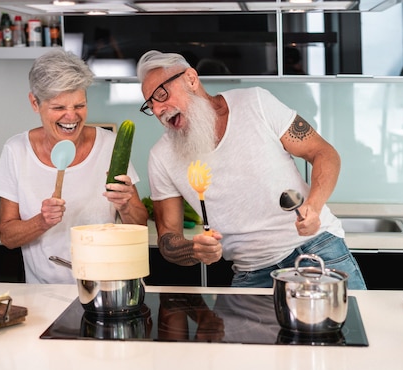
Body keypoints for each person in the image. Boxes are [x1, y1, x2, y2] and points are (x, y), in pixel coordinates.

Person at [136, 50, 366, 290]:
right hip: (251, 274)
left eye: (161, 94)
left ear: (191, 79)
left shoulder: (256, 102)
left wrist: (314, 207)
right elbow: (167, 239)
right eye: (151, 104)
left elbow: (324, 153)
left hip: (316, 250)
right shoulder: (161, 157)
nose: (159, 109)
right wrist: (195, 249)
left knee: (350, 326)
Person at [0, 49, 148, 284]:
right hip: (45, 295)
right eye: (59, 108)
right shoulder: (16, 150)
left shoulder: (109, 145)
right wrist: (41, 221)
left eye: (79, 105)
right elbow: (8, 236)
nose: (71, 117)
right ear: (35, 103)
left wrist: (125, 206)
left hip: (108, 288)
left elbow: (139, 224)